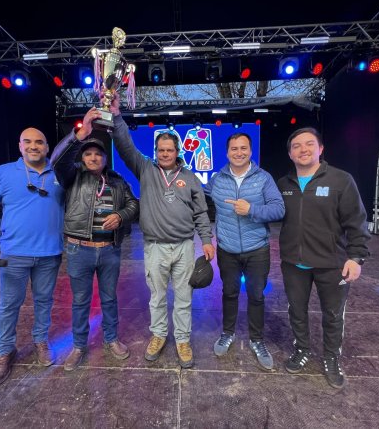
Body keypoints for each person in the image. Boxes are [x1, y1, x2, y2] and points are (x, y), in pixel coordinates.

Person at [104, 94, 215, 369]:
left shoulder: (190, 178)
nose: (165, 154)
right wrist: (116, 116)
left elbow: (201, 213)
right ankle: (158, 335)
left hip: (184, 247)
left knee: (184, 297)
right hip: (154, 247)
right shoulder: (145, 169)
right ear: (155, 151)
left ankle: (183, 339)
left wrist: (207, 240)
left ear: (177, 152)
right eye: (161, 150)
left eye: (170, 150)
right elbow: (125, 146)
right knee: (157, 297)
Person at [277, 127, 370, 389]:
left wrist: (356, 257)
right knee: (297, 311)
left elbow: (357, 221)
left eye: (309, 144)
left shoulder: (341, 180)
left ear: (320, 149)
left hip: (332, 263)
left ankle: (331, 358)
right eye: (296, 146)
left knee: (333, 315)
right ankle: (302, 350)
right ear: (290, 153)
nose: (303, 149)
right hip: (294, 263)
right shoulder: (283, 185)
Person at [0, 127, 65, 387]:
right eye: (28, 142)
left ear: (47, 147)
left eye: (39, 142)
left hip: (50, 253)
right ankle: (5, 352)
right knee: (9, 305)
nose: (34, 146)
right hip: (14, 255)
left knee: (44, 302)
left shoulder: (60, 173)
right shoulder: (1, 173)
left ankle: (40, 341)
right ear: (20, 146)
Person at [50, 115, 139, 371]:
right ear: (82, 157)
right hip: (79, 249)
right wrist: (77, 137)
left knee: (109, 298)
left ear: (105, 158)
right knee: (80, 300)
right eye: (88, 154)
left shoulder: (117, 181)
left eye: (98, 154)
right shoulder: (72, 177)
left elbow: (134, 205)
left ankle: (111, 339)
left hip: (110, 250)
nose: (93, 158)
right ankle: (79, 346)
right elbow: (57, 160)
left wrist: (120, 216)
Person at [204, 133, 285, 370]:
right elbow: (196, 195)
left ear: (250, 151)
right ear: (227, 152)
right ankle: (227, 333)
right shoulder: (217, 179)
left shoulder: (263, 178)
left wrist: (252, 209)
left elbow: (279, 209)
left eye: (243, 148)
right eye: (234, 149)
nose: (239, 153)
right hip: (227, 249)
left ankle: (257, 340)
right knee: (229, 293)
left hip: (257, 249)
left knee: (256, 296)